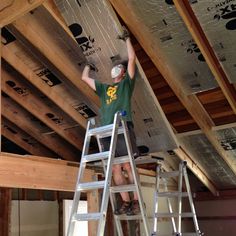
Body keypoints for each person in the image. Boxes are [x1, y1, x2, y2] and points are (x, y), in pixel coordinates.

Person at [81, 27, 140, 215]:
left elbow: (132, 59)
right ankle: (126, 202)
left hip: (122, 127)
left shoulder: (126, 85)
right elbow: (84, 77)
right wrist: (89, 65)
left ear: (122, 72)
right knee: (115, 167)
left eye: (119, 68)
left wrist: (127, 39)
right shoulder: (104, 88)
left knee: (128, 165)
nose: (116, 69)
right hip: (106, 131)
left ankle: (137, 202)